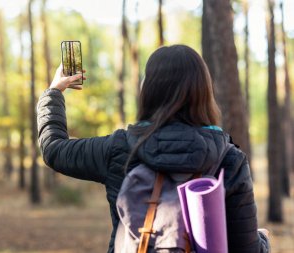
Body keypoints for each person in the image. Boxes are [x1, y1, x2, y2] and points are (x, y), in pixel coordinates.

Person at [37, 45, 270, 253]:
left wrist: (54, 91)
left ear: (147, 90)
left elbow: (54, 149)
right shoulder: (229, 158)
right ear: (204, 92)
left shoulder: (120, 148)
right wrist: (263, 239)